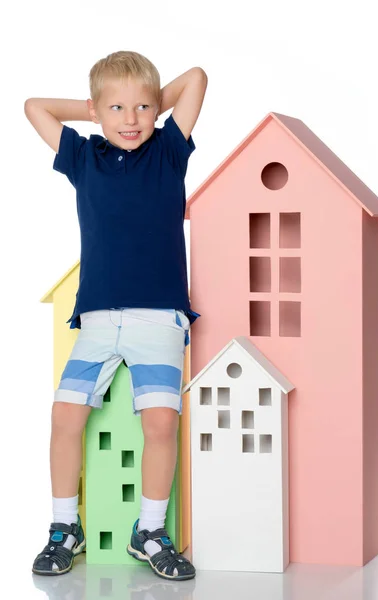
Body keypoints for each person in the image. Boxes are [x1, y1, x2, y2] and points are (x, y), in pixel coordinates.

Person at [24, 50, 207, 581]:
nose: (132, 120)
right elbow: (34, 107)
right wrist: (99, 108)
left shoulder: (169, 151)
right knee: (65, 416)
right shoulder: (84, 157)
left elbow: (196, 78)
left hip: (160, 322)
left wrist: (146, 107)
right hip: (99, 321)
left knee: (160, 423)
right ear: (97, 111)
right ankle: (65, 527)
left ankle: (149, 530)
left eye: (143, 108)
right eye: (118, 110)